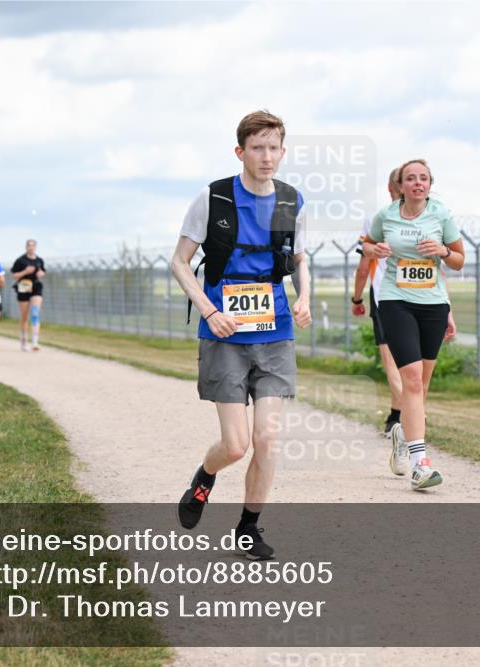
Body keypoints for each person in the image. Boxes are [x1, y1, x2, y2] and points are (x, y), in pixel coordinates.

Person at [170, 110, 311, 560]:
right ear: (240, 152)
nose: (266, 156)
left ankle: (248, 528)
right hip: (225, 335)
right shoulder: (213, 198)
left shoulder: (292, 201)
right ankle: (205, 477)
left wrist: (304, 296)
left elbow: (300, 259)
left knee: (266, 439)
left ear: (283, 152)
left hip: (275, 333)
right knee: (236, 445)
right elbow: (179, 261)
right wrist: (209, 312)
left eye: (273, 148)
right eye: (257, 148)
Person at [362, 159, 465, 491]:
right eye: (411, 179)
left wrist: (443, 250)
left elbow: (460, 261)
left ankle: (402, 436)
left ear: (430, 184)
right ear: (401, 185)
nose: (417, 183)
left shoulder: (442, 215)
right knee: (411, 379)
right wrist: (374, 248)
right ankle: (421, 465)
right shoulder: (387, 215)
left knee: (421, 384)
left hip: (432, 304)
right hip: (395, 300)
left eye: (423, 178)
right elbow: (365, 245)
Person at [352, 168, 404, 440]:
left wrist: (357, 298)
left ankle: (410, 413)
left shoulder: (375, 219)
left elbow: (363, 267)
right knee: (412, 360)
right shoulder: (425, 219)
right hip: (421, 294)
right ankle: (396, 416)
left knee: (391, 360)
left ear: (389, 187)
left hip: (385, 294)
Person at [10, 239, 47, 351]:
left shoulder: (39, 260)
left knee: (35, 314)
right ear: (26, 247)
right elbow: (14, 276)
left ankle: (35, 341)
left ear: (36, 247)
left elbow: (43, 272)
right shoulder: (20, 260)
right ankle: (24, 339)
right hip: (24, 286)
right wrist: (25, 272)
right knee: (25, 316)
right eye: (29, 245)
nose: (31, 247)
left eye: (33, 246)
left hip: (36, 287)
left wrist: (41, 274)